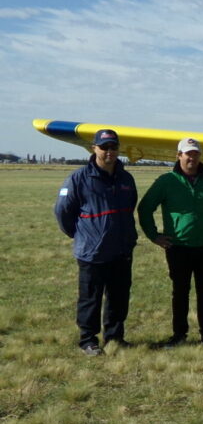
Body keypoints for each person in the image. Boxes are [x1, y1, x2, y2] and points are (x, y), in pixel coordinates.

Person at [138, 138, 203, 346]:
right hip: (178, 247)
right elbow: (145, 208)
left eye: (196, 154)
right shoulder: (166, 181)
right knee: (180, 292)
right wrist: (154, 236)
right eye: (188, 154)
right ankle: (179, 335)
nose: (192, 158)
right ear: (179, 155)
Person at [54, 129, 138, 356]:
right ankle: (88, 340)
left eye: (114, 147)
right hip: (92, 252)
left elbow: (131, 205)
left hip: (121, 249)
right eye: (104, 147)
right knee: (90, 298)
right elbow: (63, 212)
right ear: (94, 148)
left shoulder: (126, 178)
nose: (109, 151)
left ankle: (115, 337)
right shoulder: (78, 178)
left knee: (119, 297)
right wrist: (82, 235)